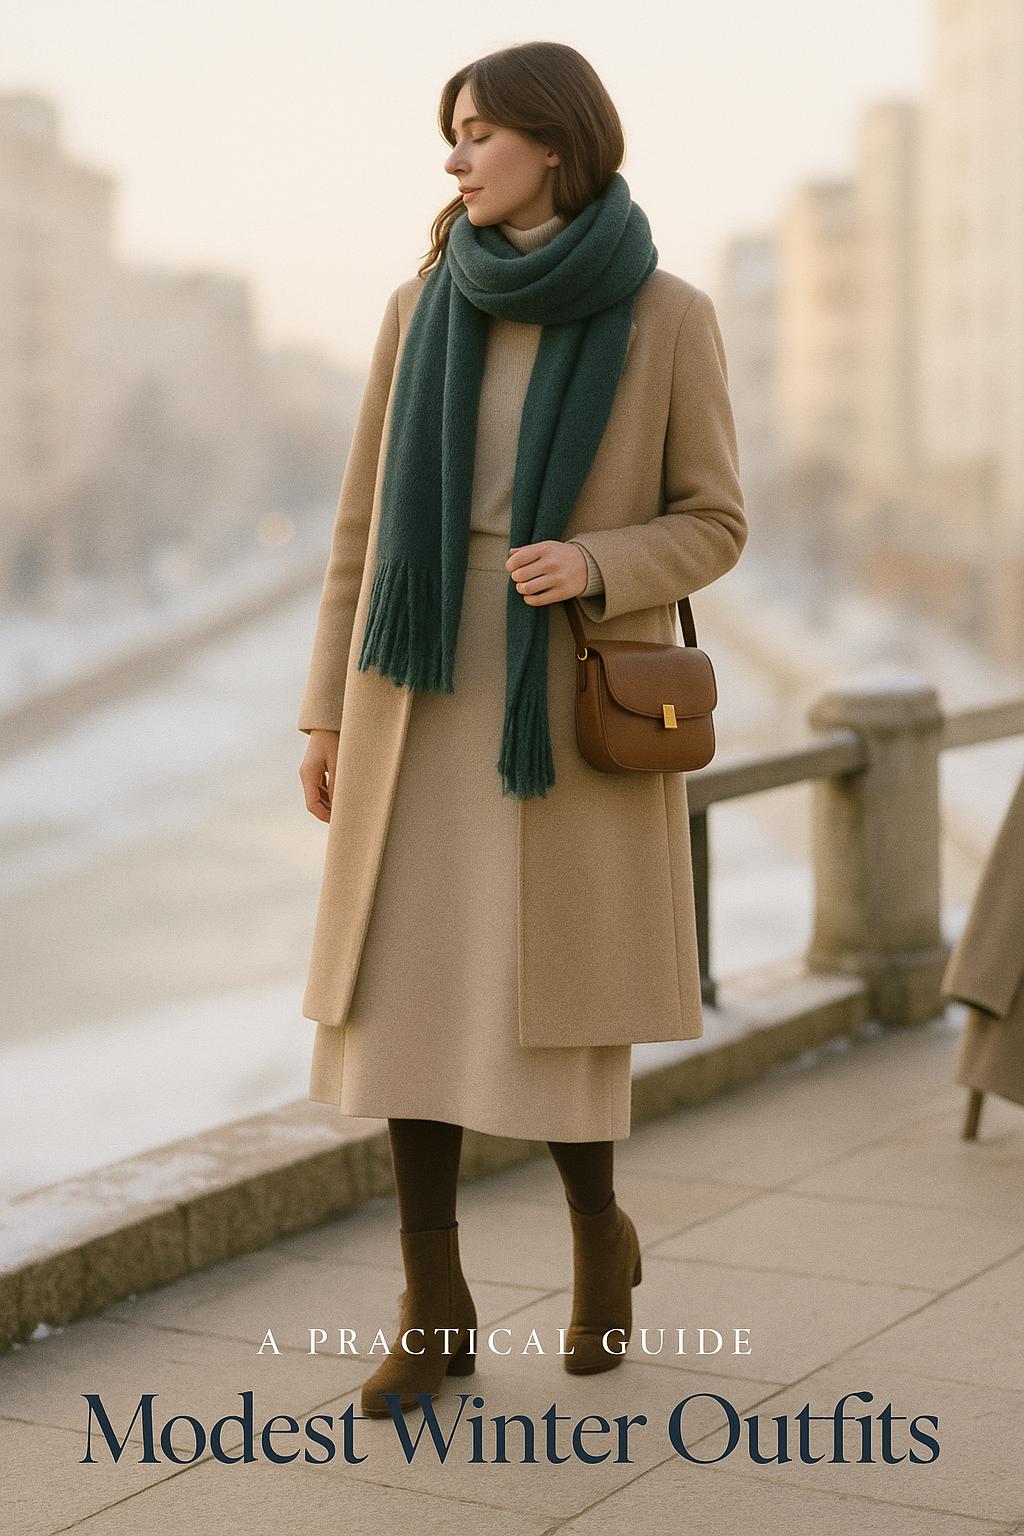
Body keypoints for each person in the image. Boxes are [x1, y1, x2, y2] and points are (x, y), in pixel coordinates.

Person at [296, 41, 747, 1418]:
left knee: (558, 1006)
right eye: (453, 134)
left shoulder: (669, 314)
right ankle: (433, 1310)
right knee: (410, 1002)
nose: (456, 159)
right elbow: (363, 532)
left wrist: (601, 563)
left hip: (560, 701)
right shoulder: (421, 305)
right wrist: (323, 713)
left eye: (479, 132)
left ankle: (598, 1244)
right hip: (416, 692)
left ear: (555, 143)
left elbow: (716, 521)